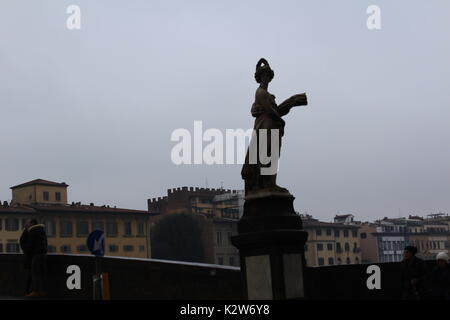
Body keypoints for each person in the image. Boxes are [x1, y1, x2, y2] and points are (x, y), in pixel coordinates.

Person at [19, 219, 48, 297]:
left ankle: (36, 291)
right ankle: (42, 291)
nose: (26, 224)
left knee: (35, 274)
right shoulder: (41, 231)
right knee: (41, 274)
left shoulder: (33, 231)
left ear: (32, 223)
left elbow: (29, 246)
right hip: (43, 255)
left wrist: (25, 248)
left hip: (36, 255)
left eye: (28, 222)